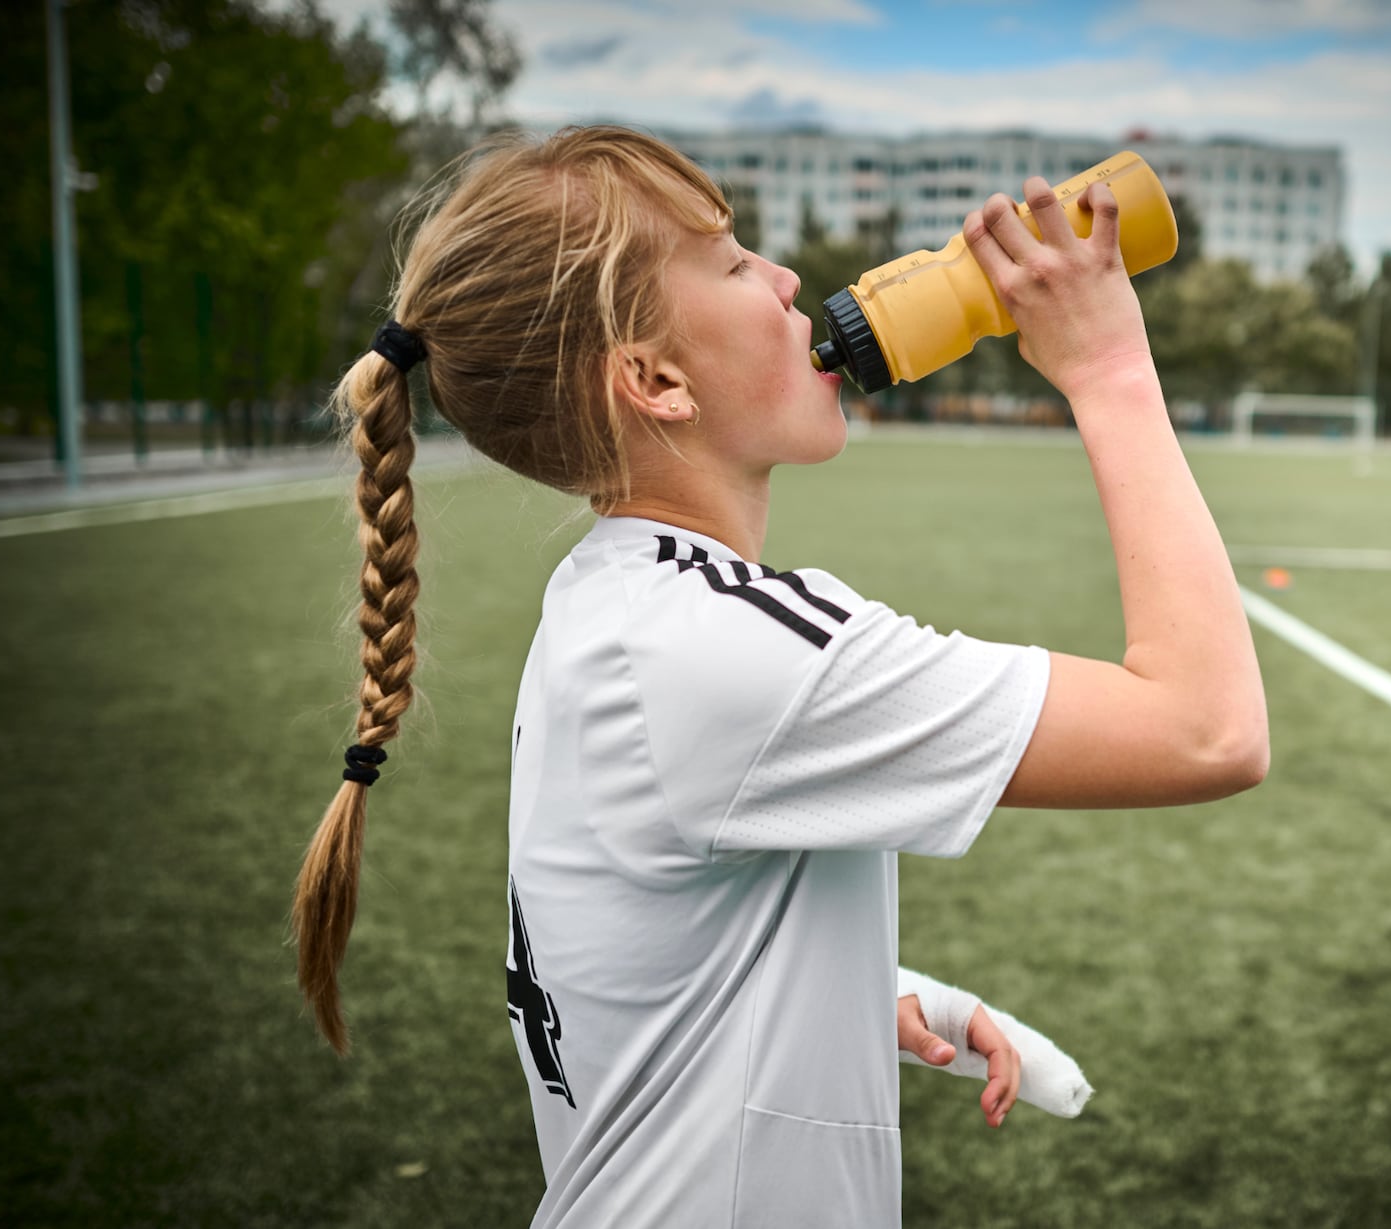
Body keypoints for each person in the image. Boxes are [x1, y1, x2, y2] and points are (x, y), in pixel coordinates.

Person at [289, 126, 1267, 1228]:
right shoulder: (722, 649)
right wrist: (1108, 367)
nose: (788, 276)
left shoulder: (614, 603)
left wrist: (868, 997)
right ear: (652, 379)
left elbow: (627, 934)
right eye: (731, 261)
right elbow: (1207, 728)